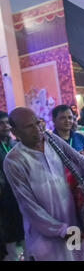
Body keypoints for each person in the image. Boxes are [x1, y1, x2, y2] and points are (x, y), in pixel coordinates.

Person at [3, 107, 84, 261]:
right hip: (47, 239)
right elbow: (29, 207)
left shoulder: (51, 139)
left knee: (78, 256)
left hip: (73, 226)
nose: (37, 129)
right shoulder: (14, 160)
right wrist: (62, 231)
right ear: (15, 132)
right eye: (29, 126)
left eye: (38, 123)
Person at [0, 111, 23, 261]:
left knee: (24, 231)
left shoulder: (16, 144)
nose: (6, 126)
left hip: (19, 195)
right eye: (1, 123)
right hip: (3, 199)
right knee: (7, 238)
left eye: (7, 122)